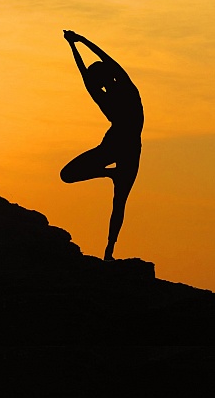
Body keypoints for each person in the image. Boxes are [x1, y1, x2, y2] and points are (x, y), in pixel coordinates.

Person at [60, 30, 144, 261]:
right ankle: (109, 174)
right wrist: (77, 43)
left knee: (119, 202)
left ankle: (109, 251)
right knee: (67, 175)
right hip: (118, 145)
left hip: (125, 148)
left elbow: (98, 63)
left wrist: (76, 44)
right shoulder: (121, 90)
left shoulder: (120, 90)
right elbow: (91, 68)